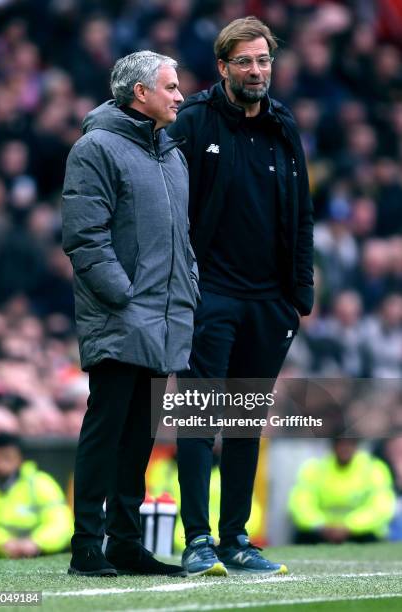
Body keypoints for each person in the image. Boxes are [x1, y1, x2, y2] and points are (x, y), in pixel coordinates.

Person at [167, 16, 314, 575]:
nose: (258, 71)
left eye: (265, 61)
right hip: (210, 296)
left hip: (269, 301)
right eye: (246, 62)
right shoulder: (194, 121)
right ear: (223, 67)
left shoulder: (284, 125)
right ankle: (198, 541)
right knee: (200, 418)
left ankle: (235, 540)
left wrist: (299, 294)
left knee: (246, 422)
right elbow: (170, 213)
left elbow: (302, 213)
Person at [62, 51, 198, 577]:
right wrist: (126, 296)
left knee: (138, 436)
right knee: (106, 428)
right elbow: (84, 236)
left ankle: (124, 542)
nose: (180, 95)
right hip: (122, 315)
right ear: (139, 93)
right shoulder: (94, 147)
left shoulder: (172, 156)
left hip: (161, 317)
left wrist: (186, 288)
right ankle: (87, 545)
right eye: (170, 86)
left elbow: (179, 241)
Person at [0, 433, 72, 558]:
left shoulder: (41, 483)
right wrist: (2, 542)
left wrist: (36, 543)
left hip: (37, 555)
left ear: (20, 458)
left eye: (9, 457)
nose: (3, 462)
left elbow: (61, 523)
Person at [289, 439, 396, 543]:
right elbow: (300, 505)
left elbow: (381, 508)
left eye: (349, 443)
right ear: (333, 445)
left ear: (356, 445)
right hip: (320, 533)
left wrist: (350, 526)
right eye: (340, 443)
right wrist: (321, 526)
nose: (344, 448)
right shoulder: (313, 468)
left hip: (362, 536)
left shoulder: (374, 468)